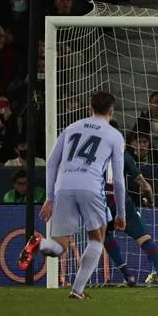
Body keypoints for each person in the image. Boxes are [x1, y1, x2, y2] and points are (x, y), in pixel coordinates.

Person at [19, 92, 127, 299]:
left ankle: (38, 243)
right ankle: (77, 290)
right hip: (91, 186)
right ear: (112, 111)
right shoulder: (114, 135)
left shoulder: (71, 128)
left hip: (63, 186)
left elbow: (51, 162)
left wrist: (50, 197)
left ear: (90, 108)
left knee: (59, 246)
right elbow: (119, 179)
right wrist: (121, 213)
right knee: (97, 238)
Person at [102, 148, 158, 293]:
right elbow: (144, 185)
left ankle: (128, 275)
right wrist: (150, 199)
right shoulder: (123, 155)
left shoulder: (94, 156)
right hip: (123, 203)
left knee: (104, 235)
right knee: (144, 239)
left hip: (101, 203)